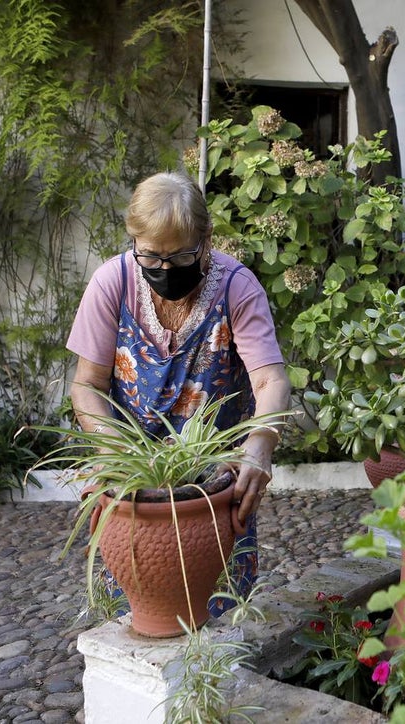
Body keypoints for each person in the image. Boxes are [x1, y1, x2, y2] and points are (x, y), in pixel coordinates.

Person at [66, 170, 291, 615]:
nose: (165, 270)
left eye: (181, 256)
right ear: (134, 240)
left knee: (218, 613)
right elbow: (87, 385)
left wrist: (259, 447)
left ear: (206, 240)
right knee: (138, 609)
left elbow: (271, 381)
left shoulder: (236, 287)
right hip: (134, 484)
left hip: (212, 489)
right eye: (151, 256)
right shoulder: (113, 283)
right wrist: (114, 454)